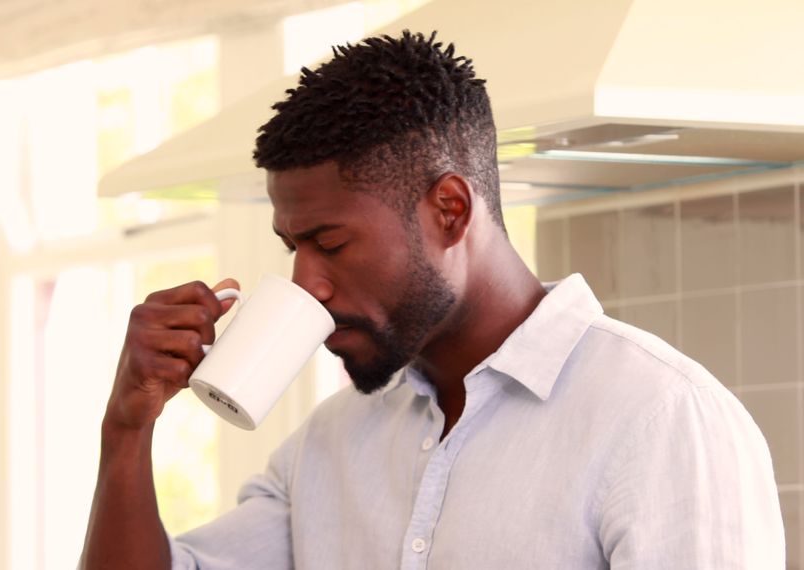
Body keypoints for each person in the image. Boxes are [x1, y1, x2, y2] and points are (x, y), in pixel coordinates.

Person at [81, 31, 784, 569]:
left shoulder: (661, 419)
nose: (306, 283)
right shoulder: (329, 447)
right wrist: (127, 430)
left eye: (330, 242)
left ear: (449, 209)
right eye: (291, 246)